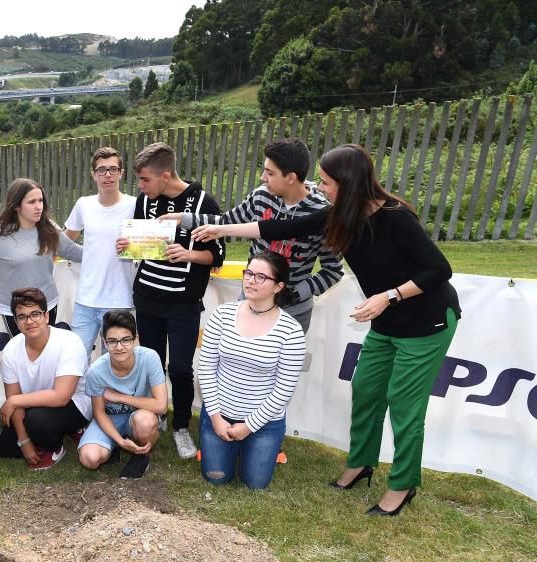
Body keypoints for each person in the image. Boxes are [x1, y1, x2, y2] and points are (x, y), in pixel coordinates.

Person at [194, 144, 460, 515]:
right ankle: (361, 464)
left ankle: (402, 485)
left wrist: (389, 296)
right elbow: (279, 226)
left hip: (426, 321)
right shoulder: (338, 215)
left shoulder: (395, 218)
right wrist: (218, 227)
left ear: (348, 184)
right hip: (385, 323)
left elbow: (438, 270)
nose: (319, 188)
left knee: (404, 405)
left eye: (325, 181)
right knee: (366, 392)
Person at [166, 138, 343, 465]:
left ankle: (266, 439)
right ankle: (221, 434)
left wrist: (294, 293)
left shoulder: (323, 213)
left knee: (276, 376)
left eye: (269, 172)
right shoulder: (262, 197)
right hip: (248, 304)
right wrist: (183, 219)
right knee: (233, 365)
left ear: (291, 177)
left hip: (293, 308)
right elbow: (229, 223)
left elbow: (334, 270)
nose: (262, 178)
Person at [119, 142, 224, 460]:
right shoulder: (145, 201)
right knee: (152, 365)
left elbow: (216, 256)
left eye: (145, 180)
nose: (140, 187)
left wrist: (188, 253)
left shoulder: (204, 202)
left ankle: (180, 426)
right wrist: (128, 244)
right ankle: (157, 416)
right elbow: (141, 246)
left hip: (183, 304)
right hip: (147, 299)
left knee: (180, 368)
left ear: (165, 176)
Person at [197, 252, 306, 489]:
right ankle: (227, 446)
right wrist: (215, 418)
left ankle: (249, 447)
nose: (250, 280)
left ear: (278, 286)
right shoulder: (222, 314)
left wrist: (249, 426)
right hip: (219, 415)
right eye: (248, 273)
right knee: (216, 478)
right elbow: (205, 367)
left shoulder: (291, 331)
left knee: (255, 483)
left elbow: (284, 389)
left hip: (263, 422)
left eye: (260, 277)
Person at [0, 288, 92, 470]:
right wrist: (24, 442)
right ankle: (46, 433)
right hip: (35, 403)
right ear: (16, 322)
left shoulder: (69, 342)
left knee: (37, 421)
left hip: (75, 403)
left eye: (35, 314)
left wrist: (15, 401)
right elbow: (14, 398)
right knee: (6, 449)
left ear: (46, 316)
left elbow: (61, 396)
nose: (29, 321)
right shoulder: (11, 349)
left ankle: (58, 445)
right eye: (22, 317)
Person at [0, 178, 83, 336]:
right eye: (32, 202)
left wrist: (107, 248)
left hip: (47, 305)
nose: (39, 206)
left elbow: (74, 252)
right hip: (15, 310)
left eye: (41, 200)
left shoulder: (49, 228)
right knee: (24, 355)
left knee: (45, 353)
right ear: (17, 206)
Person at [64, 147, 137, 355]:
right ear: (93, 174)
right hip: (85, 301)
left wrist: (134, 247)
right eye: (102, 170)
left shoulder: (135, 205)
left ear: (121, 173)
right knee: (75, 360)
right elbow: (66, 239)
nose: (108, 175)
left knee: (115, 365)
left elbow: (151, 246)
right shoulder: (83, 204)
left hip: (120, 301)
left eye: (113, 169)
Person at [78, 310, 168, 480]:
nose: (119, 347)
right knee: (89, 459)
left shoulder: (150, 358)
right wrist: (120, 441)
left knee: (145, 422)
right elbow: (98, 412)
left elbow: (161, 406)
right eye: (112, 341)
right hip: (110, 418)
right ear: (104, 342)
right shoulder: (96, 371)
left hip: (140, 416)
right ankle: (116, 445)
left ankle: (141, 455)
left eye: (126, 340)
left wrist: (119, 397)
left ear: (135, 339)